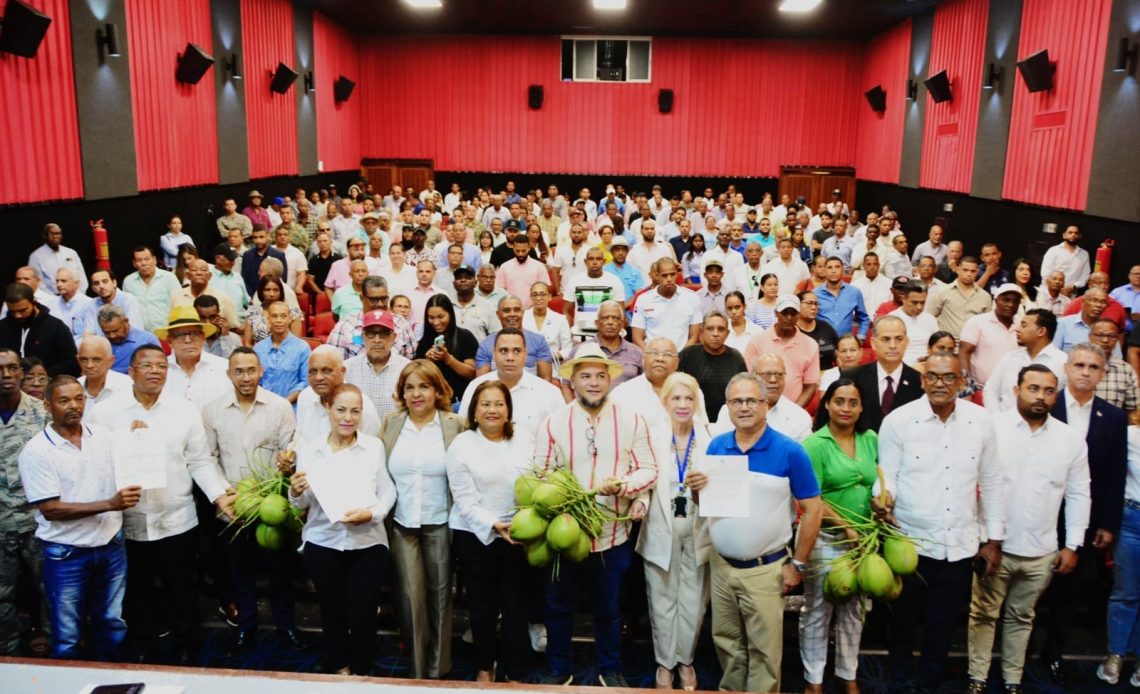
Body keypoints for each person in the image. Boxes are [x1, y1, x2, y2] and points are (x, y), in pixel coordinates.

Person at [87, 345, 231, 663]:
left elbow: (199, 461)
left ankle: (187, 647)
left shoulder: (184, 410)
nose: (155, 371)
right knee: (136, 590)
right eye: (146, 365)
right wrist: (126, 442)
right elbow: (94, 463)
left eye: (160, 366)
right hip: (128, 518)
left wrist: (219, 495)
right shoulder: (104, 413)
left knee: (181, 587)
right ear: (131, 371)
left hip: (176, 517)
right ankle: (143, 646)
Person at [878, 351, 1004, 690]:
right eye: (932, 376)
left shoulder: (980, 421)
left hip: (959, 548)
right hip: (910, 546)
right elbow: (886, 476)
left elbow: (991, 481)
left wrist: (993, 541)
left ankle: (930, 685)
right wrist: (883, 497)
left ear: (961, 381)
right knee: (903, 628)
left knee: (943, 628)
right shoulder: (898, 421)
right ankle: (900, 683)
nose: (939, 383)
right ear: (922, 380)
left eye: (948, 377)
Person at [533, 343, 657, 687]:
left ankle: (609, 668)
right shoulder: (553, 424)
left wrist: (624, 486)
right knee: (558, 607)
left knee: (609, 609)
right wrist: (563, 499)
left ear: (610, 381)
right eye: (585, 376)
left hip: (611, 536)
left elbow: (648, 468)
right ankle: (559, 669)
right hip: (565, 534)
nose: (593, 382)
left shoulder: (632, 421)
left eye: (600, 376)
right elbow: (540, 475)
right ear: (572, 380)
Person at [694, 373, 822, 692]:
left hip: (765, 570)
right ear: (727, 407)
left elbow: (814, 510)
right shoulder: (717, 445)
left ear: (766, 404)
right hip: (722, 566)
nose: (745, 407)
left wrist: (799, 564)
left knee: (764, 654)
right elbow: (709, 502)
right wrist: (698, 491)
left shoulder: (790, 451)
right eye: (737, 401)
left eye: (752, 400)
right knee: (727, 644)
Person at [967, 365, 1090, 694]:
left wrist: (1073, 545)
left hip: (1042, 550)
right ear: (1016, 391)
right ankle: (977, 678)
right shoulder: (992, 429)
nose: (1041, 396)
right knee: (983, 615)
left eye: (1049, 390)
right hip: (995, 547)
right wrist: (981, 538)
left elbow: (1079, 493)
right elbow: (971, 483)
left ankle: (1012, 681)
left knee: (1022, 617)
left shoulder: (1070, 439)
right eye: (1033, 388)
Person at [18, 375, 138, 659]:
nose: (74, 405)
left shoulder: (104, 437)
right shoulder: (36, 451)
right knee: (68, 635)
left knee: (111, 624)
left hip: (110, 546)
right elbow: (51, 509)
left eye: (79, 398)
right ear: (48, 405)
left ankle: (110, 682)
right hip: (67, 553)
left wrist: (139, 436)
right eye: (64, 400)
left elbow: (131, 459)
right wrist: (109, 504)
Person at [286, 383, 395, 675]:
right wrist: (295, 491)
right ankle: (339, 667)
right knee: (332, 611)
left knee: (362, 613)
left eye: (355, 411)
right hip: (323, 541)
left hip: (368, 543)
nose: (348, 417)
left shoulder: (373, 447)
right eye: (341, 410)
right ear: (328, 409)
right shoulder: (311, 450)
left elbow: (387, 492)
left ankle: (361, 670)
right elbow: (300, 503)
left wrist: (372, 514)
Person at [201, 347, 298, 651]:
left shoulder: (280, 407)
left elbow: (291, 447)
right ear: (229, 374)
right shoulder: (212, 410)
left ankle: (287, 627)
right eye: (239, 371)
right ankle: (247, 625)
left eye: (251, 370)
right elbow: (208, 458)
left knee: (280, 573)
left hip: (270, 507)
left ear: (261, 372)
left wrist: (289, 460)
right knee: (238, 573)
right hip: (231, 507)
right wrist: (221, 496)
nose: (245, 377)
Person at [1042, 343, 1128, 683]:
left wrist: (1107, 523)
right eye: (1079, 365)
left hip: (1082, 518)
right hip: (1038, 511)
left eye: (1093, 367)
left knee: (1067, 593)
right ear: (1066, 368)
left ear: (1102, 374)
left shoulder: (1114, 417)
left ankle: (1053, 657)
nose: (1085, 372)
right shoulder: (1045, 405)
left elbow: (1114, 473)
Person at [381, 360, 467, 679]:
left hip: (441, 522)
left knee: (441, 598)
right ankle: (418, 674)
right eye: (409, 387)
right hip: (402, 525)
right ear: (402, 393)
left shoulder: (454, 424)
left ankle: (438, 671)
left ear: (437, 390)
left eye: (424, 386)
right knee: (410, 599)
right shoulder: (391, 423)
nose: (416, 394)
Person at [447, 379, 532, 682]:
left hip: (519, 535)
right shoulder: (462, 445)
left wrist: (521, 524)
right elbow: (464, 499)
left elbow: (536, 483)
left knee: (516, 605)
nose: (492, 410)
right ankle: (485, 665)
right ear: (474, 410)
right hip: (475, 534)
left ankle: (515, 670)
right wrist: (494, 524)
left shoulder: (524, 439)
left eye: (499, 404)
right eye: (485, 404)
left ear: (508, 410)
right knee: (482, 606)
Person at [799, 378, 878, 694]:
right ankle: (813, 681)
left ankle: (848, 675)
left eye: (853, 402)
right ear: (827, 405)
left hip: (863, 543)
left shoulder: (871, 438)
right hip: (825, 540)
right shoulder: (815, 444)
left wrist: (883, 502)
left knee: (853, 613)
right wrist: (845, 526)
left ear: (861, 407)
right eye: (839, 401)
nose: (846, 408)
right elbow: (812, 498)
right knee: (818, 611)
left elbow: (879, 480)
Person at [637, 373, 712, 691]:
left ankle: (686, 661)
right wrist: (639, 502)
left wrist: (707, 487)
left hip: (698, 530)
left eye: (688, 398)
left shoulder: (712, 438)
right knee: (662, 602)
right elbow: (641, 477)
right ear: (664, 401)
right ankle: (665, 664)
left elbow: (724, 488)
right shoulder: (651, 437)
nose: (682, 405)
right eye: (676, 398)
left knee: (694, 603)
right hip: (659, 529)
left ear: (697, 402)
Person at [0, 349, 49, 656]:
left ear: (21, 372)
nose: (6, 374)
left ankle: (53, 640)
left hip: (37, 519)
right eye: (0, 368)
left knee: (49, 589)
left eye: (12, 368)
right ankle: (7, 648)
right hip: (0, 523)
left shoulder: (42, 412)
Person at [1096, 408, 1140, 686]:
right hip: (1132, 519)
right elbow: (1111, 476)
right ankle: (1116, 655)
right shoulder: (1131, 435)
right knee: (1126, 591)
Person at [459, 328, 563, 437]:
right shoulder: (476, 387)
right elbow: (464, 429)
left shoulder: (549, 393)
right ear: (494, 353)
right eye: (504, 351)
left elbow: (561, 437)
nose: (510, 357)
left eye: (517, 351)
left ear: (526, 354)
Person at [841, 315, 922, 432]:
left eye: (899, 339)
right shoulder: (852, 377)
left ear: (906, 342)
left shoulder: (919, 381)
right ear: (873, 343)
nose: (893, 345)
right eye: (886, 339)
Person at [983, 309, 1068, 413]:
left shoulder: (1063, 362)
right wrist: (997, 420)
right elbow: (991, 391)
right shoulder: (1009, 358)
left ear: (1041, 331)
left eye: (1024, 325)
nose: (1017, 329)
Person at [744, 295, 820, 409]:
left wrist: (794, 411)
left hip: (794, 411)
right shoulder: (756, 342)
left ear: (798, 315)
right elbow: (749, 380)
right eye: (784, 313)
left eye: (793, 313)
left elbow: (810, 385)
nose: (789, 317)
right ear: (776, 313)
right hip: (761, 410)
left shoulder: (811, 345)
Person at [154, 306, 230, 409]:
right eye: (180, 335)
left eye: (194, 334)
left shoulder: (223, 368)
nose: (188, 340)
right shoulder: (157, 370)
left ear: (203, 337)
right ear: (170, 341)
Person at [678, 312, 747, 420]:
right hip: (693, 420)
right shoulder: (688, 355)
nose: (715, 334)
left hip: (727, 421)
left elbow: (744, 392)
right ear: (701, 332)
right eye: (710, 329)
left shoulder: (736, 358)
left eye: (721, 329)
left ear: (727, 333)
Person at [1, 283, 78, 377]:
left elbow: (70, 363)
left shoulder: (56, 327)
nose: (17, 315)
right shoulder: (3, 327)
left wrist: (43, 376)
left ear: (34, 302)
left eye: (22, 310)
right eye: (12, 311)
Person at [415, 295, 479, 407]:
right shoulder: (424, 341)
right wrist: (428, 362)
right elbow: (416, 376)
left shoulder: (464, 337)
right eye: (431, 317)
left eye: (441, 317)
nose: (436, 322)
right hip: (431, 404)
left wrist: (448, 359)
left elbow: (472, 373)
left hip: (458, 402)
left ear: (450, 314)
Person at [959, 283, 1022, 389]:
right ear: (996, 301)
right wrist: (966, 385)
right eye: (1006, 300)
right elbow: (964, 353)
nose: (1011, 305)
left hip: (1012, 391)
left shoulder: (1022, 325)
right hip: (980, 389)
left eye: (1015, 301)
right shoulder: (977, 322)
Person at [631, 258, 702, 352]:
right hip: (652, 359)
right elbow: (637, 338)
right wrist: (652, 355)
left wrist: (681, 357)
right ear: (657, 276)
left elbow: (694, 337)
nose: (669, 279)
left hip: (683, 359)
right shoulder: (643, 299)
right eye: (664, 275)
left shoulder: (691, 297)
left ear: (677, 274)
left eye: (672, 274)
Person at [252, 301, 310, 403]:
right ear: (268, 319)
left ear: (290, 318)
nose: (279, 320)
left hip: (293, 407)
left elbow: (305, 382)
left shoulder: (302, 347)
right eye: (274, 316)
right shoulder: (258, 348)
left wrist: (284, 404)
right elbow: (256, 382)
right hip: (264, 405)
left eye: (283, 316)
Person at [928, 255, 993, 338]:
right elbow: (929, 316)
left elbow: (987, 324)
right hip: (947, 345)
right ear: (958, 269)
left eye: (972, 271)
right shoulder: (943, 292)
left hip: (973, 344)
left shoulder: (985, 296)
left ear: (977, 272)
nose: (969, 274)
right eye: (965, 270)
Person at [1086, 318, 1139, 415]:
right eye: (1100, 335)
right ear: (1090, 337)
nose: (1105, 340)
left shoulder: (1126, 370)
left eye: (1111, 336)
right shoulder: (1077, 365)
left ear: (1117, 339)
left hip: (1113, 427)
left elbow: (1133, 410)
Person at [123, 246, 182, 332]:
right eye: (139, 260)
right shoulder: (128, 281)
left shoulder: (169, 278)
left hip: (167, 332)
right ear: (134, 263)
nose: (143, 263)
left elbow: (179, 304)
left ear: (154, 260)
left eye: (147, 259)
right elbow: (127, 309)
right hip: (141, 334)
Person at [816, 258, 870, 342]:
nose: (833, 271)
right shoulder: (815, 294)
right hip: (823, 344)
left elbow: (864, 318)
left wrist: (861, 336)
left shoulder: (854, 292)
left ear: (843, 269)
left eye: (837, 267)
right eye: (830, 267)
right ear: (825, 271)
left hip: (847, 344)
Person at [28, 223, 88, 296]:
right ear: (44, 236)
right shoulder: (36, 256)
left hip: (76, 297)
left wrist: (78, 296)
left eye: (58, 233)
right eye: (52, 234)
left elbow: (82, 277)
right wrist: (55, 300)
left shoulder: (71, 253)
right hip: (51, 300)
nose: (55, 236)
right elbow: (38, 283)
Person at [1055, 287, 1118, 355]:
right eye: (1094, 300)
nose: (1098, 305)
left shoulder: (1109, 328)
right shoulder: (1063, 323)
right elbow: (1054, 354)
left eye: (1103, 302)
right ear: (1083, 302)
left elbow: (1116, 357)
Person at [889, 281, 938, 367]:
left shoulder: (930, 319)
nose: (919, 307)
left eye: (922, 303)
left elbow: (937, 346)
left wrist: (930, 357)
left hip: (927, 366)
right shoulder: (891, 319)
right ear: (903, 298)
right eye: (914, 302)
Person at [1039, 225, 1091, 296]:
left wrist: (1073, 286)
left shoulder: (1084, 254)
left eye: (1076, 233)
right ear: (1064, 235)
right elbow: (1045, 273)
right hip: (1047, 293)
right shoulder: (1053, 250)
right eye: (1070, 232)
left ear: (1079, 236)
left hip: (1069, 295)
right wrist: (1056, 289)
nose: (1073, 235)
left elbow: (1085, 276)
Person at [797, 290, 840, 372]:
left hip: (828, 376)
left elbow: (838, 354)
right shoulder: (792, 330)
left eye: (816, 304)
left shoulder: (825, 326)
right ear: (798, 305)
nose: (813, 307)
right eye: (809, 303)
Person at [53, 268, 92, 340]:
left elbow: (90, 334)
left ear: (76, 283)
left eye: (63, 281)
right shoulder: (51, 303)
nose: (58, 284)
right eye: (57, 281)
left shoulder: (89, 304)